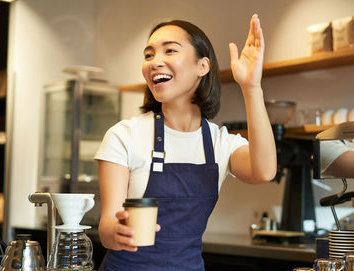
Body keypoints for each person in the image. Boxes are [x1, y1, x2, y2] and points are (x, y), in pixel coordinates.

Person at [95, 14, 276, 270]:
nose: (155, 62)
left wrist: (251, 87)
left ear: (202, 66)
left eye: (170, 51)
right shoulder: (123, 135)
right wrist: (118, 232)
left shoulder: (219, 142)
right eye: (148, 55)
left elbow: (264, 171)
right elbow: (106, 230)